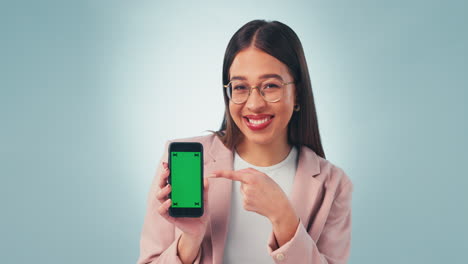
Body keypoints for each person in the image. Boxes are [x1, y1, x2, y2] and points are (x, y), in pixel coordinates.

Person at [137, 19, 354, 264]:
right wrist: (190, 240)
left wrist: (284, 218)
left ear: (298, 95)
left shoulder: (333, 185)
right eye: (240, 87)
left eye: (271, 86)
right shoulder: (181, 161)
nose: (254, 104)